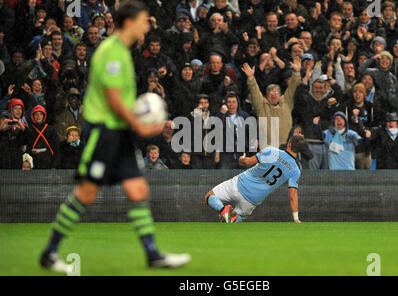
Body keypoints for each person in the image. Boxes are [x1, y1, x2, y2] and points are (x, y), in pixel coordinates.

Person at [39, 1, 190, 273]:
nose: (147, 27)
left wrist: (147, 121)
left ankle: (153, 254)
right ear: (130, 23)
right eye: (144, 21)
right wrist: (141, 127)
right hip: (103, 132)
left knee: (137, 190)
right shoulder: (111, 52)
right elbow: (113, 99)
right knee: (86, 193)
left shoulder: (122, 51)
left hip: (119, 133)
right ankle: (50, 252)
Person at [203, 135, 305, 223]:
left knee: (209, 196)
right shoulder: (295, 170)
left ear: (289, 144)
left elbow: (247, 162)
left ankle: (223, 210)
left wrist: (241, 159)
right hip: (252, 200)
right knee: (234, 219)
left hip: (239, 184)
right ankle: (231, 217)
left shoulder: (271, 151)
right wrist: (296, 218)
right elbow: (293, 194)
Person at [241, 57, 301, 149]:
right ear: (266, 95)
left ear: (280, 94)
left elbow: (293, 87)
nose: (274, 95)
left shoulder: (286, 102)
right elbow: (255, 91)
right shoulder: (261, 105)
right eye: (271, 93)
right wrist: (250, 78)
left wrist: (296, 72)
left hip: (285, 148)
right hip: (267, 149)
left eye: (276, 93)